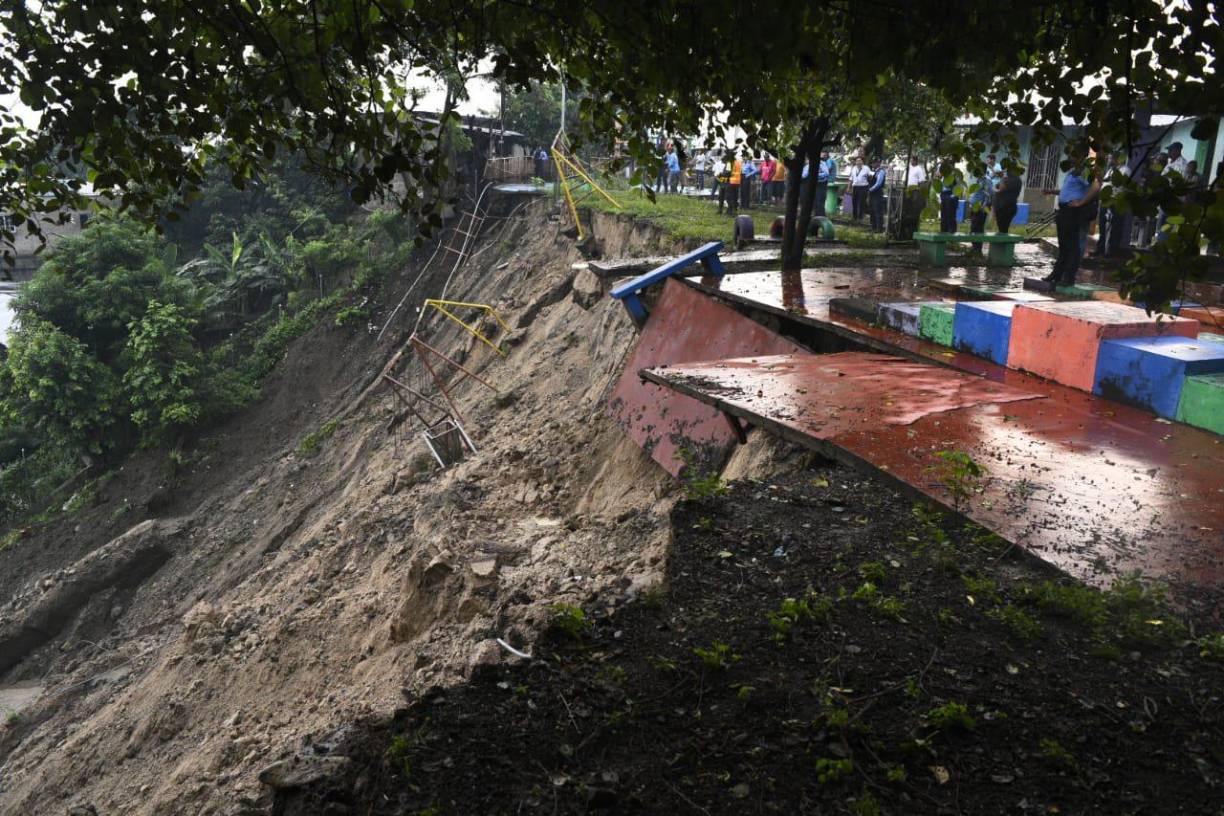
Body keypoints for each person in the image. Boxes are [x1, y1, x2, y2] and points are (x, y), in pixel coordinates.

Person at [1042, 162, 1100, 288]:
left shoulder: (1084, 171)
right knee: (1063, 245)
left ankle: (1069, 277)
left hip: (1073, 211)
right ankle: (1057, 274)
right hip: (1063, 210)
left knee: (1073, 245)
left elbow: (1096, 186)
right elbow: (1067, 190)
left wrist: (1081, 202)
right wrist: (1052, 191)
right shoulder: (1072, 171)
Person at [1094, 152, 1131, 257]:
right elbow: (1105, 182)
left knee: (1114, 228)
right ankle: (1101, 249)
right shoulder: (1110, 170)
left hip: (1116, 202)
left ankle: (1111, 251)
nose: (1109, 160)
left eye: (1111, 158)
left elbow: (1118, 185)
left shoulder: (1125, 170)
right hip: (1106, 202)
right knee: (1102, 226)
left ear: (1117, 159)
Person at [967, 162, 995, 252]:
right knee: (974, 227)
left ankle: (977, 248)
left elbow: (989, 194)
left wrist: (983, 206)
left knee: (977, 228)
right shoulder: (978, 179)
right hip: (974, 207)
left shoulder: (987, 180)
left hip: (981, 208)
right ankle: (975, 247)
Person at [993, 166, 1023, 234]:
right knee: (1004, 229)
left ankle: (1001, 243)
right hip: (1009, 206)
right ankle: (1002, 242)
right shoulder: (1016, 179)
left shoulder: (1010, 179)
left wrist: (995, 189)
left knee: (1002, 229)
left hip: (1004, 207)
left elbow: (1001, 189)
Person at [867, 159, 887, 232]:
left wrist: (870, 189)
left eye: (874, 163)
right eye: (872, 163)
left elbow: (878, 183)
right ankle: (873, 226)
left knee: (877, 210)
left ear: (878, 163)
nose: (873, 164)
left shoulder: (881, 172)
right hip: (872, 193)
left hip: (877, 193)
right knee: (871, 210)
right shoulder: (873, 172)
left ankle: (879, 228)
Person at [849, 156, 870, 221]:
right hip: (855, 187)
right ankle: (854, 217)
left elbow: (870, 176)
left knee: (861, 202)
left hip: (863, 187)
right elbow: (851, 179)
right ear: (855, 162)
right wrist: (849, 187)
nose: (858, 162)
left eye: (860, 161)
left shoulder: (866, 168)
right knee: (854, 202)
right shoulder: (854, 168)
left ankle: (860, 217)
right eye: (857, 161)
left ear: (862, 161)